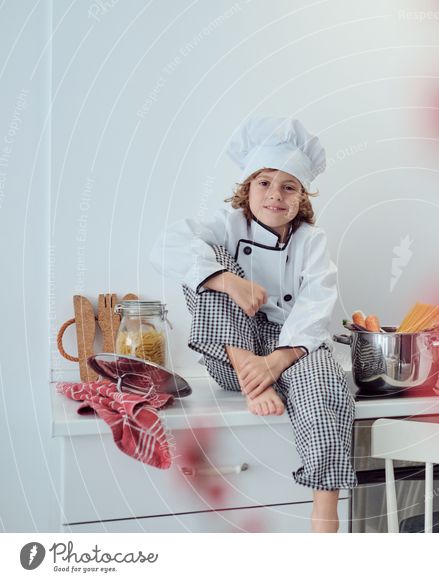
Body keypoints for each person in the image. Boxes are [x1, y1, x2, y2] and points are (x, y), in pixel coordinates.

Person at [149, 117, 356, 532]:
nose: (275, 195)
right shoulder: (226, 226)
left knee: (327, 385)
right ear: (247, 188)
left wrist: (276, 362)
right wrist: (230, 282)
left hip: (290, 350)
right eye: (264, 183)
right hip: (232, 351)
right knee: (206, 265)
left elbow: (316, 306)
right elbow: (165, 244)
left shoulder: (310, 242)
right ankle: (250, 374)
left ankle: (324, 510)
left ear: (303, 196)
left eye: (288, 186)